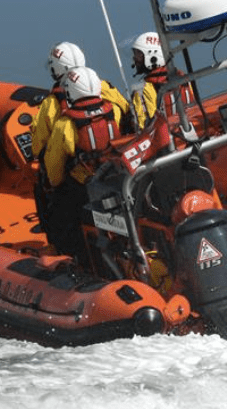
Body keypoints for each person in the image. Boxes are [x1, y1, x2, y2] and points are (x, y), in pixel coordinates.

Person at [42, 66, 122, 263]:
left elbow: (54, 169)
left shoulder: (65, 124)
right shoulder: (114, 111)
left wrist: (53, 185)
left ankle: (73, 259)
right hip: (116, 178)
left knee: (59, 211)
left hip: (85, 185)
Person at [31, 41, 130, 158]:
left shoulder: (52, 102)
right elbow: (126, 110)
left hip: (80, 163)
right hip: (117, 154)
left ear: (56, 69)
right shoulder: (104, 86)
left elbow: (38, 145)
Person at [130, 31, 193, 129]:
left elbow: (143, 129)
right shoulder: (183, 79)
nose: (135, 59)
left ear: (152, 55)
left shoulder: (141, 91)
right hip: (192, 129)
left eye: (139, 54)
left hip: (165, 137)